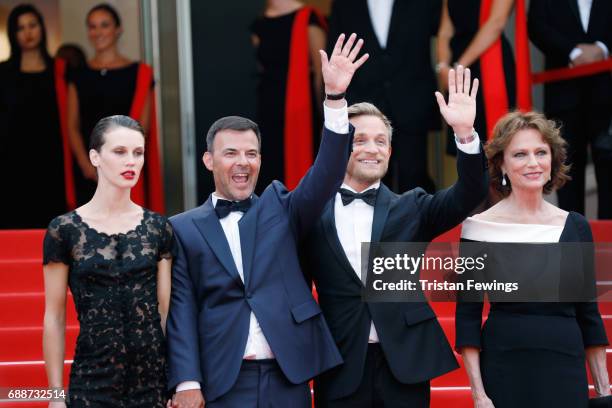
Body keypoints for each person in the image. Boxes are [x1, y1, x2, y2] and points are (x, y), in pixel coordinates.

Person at [166, 34, 368, 408]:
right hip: (222, 379)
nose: (243, 162)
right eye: (230, 153)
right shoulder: (182, 227)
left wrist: (336, 99)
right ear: (209, 161)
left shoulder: (282, 207)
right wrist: (186, 381)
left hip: (286, 376)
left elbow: (325, 174)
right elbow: (181, 309)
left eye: (252, 153)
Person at [302, 66, 488, 407]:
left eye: (381, 141)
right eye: (359, 140)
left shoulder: (413, 206)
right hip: (339, 362)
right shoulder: (311, 211)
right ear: (338, 145)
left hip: (404, 362)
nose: (371, 149)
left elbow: (471, 191)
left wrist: (464, 133)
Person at [456, 111, 611, 407]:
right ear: (502, 163)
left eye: (541, 152)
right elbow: (468, 317)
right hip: (504, 365)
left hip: (565, 364)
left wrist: (603, 391)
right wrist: (479, 395)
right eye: (520, 154)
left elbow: (588, 314)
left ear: (552, 160)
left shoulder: (576, 226)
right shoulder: (478, 228)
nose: (533, 163)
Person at [42, 115, 174, 407]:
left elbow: (165, 312)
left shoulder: (158, 228)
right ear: (95, 157)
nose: (131, 161)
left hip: (152, 383)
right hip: (92, 379)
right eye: (119, 152)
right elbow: (54, 316)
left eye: (138, 153)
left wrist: (174, 382)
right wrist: (54, 396)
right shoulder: (64, 230)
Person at [327, 0, 442, 193]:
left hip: (411, 102)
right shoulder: (343, 4)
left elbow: (448, 31)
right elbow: (335, 52)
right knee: (367, 181)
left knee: (414, 177)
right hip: (364, 106)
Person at [67, 3, 163, 212]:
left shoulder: (139, 73)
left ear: (118, 29)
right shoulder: (77, 74)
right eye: (92, 26)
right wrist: (87, 164)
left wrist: (119, 161)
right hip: (89, 170)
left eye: (104, 25)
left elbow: (141, 127)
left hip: (125, 168)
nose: (98, 32)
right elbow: (72, 125)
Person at [528, 0, 612, 219]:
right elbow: (536, 26)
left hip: (606, 93)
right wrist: (572, 52)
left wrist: (602, 49)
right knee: (567, 173)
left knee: (610, 167)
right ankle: (574, 247)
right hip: (563, 97)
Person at [0, 4, 71, 228]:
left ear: (42, 28)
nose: (28, 32)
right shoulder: (2, 73)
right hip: (11, 164)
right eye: (21, 28)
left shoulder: (61, 71)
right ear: (13, 33)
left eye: (33, 25)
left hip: (51, 163)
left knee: (51, 231)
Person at [250, 0, 327, 192]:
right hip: (268, 107)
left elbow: (321, 72)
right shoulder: (259, 24)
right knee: (269, 168)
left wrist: (325, 116)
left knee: (302, 169)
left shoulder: (310, 18)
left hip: (301, 109)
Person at [436, 0, 515, 153]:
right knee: (463, 142)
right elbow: (445, 30)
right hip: (456, 69)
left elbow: (496, 23)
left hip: (490, 62)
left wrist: (459, 66)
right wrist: (443, 66)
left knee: (494, 143)